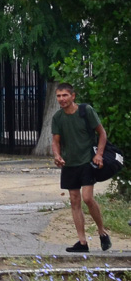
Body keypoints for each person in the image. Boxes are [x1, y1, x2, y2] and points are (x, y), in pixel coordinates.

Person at [50, 82, 111, 252]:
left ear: (73, 96)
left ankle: (102, 232)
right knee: (74, 201)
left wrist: (99, 154)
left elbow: (102, 133)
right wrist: (57, 155)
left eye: (65, 95)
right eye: (59, 96)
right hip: (70, 163)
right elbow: (56, 141)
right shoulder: (58, 118)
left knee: (87, 198)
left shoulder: (86, 111)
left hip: (87, 161)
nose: (62, 99)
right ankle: (82, 242)